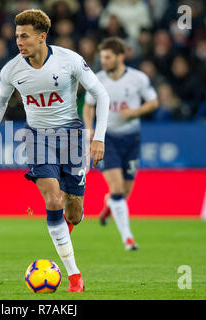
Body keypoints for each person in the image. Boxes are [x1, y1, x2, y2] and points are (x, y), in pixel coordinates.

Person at [0, 9, 109, 292]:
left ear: (42, 37)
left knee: (73, 213)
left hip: (72, 136)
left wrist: (98, 138)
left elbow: (101, 94)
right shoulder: (11, 69)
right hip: (37, 138)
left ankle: (65, 232)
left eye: (24, 36)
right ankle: (74, 277)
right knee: (52, 199)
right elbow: (0, 103)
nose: (19, 42)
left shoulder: (69, 60)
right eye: (16, 36)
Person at [83, 37, 158, 251]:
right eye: (102, 57)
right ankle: (128, 238)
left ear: (120, 57)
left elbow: (153, 101)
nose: (103, 61)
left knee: (124, 193)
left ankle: (109, 205)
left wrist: (135, 112)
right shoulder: (96, 80)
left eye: (107, 57)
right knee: (116, 188)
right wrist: (89, 128)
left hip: (131, 138)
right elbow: (88, 107)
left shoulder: (138, 79)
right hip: (107, 139)